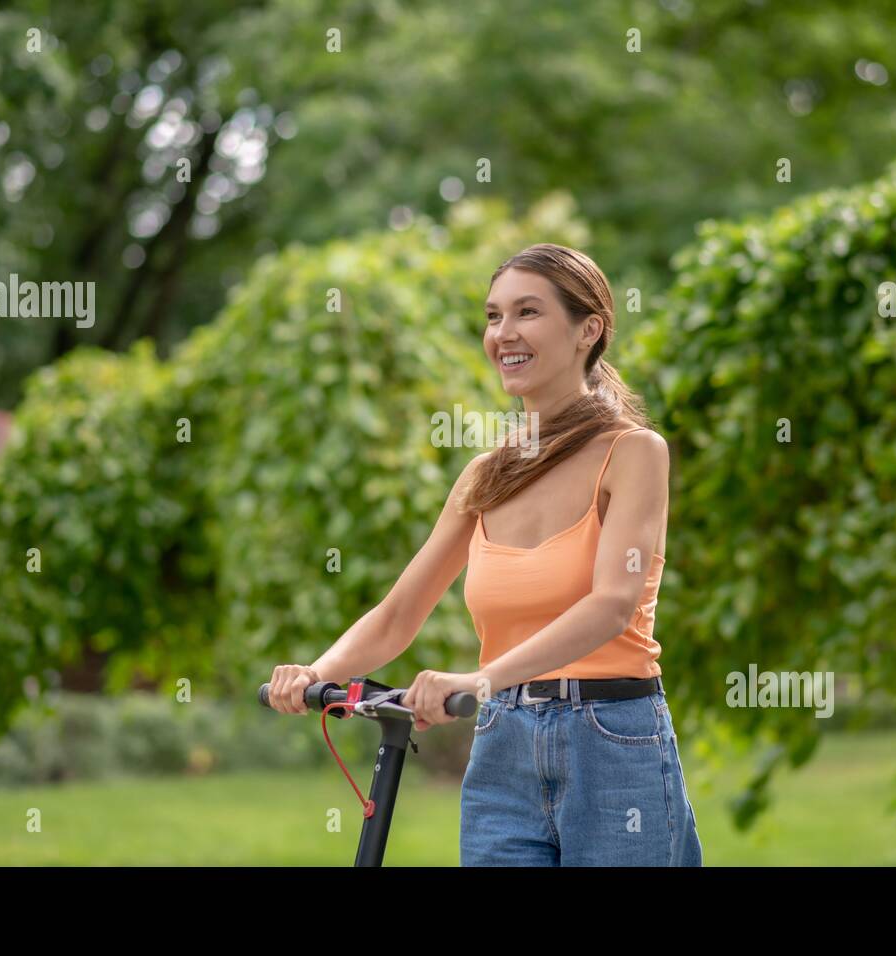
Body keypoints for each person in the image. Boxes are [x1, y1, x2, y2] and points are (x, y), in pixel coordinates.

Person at [266, 243, 703, 866]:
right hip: (502, 745)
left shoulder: (633, 453)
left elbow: (611, 605)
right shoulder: (486, 474)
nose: (504, 333)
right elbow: (397, 615)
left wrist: (479, 679)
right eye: (493, 316)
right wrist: (318, 672)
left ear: (589, 330)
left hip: (611, 743)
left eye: (527, 312)